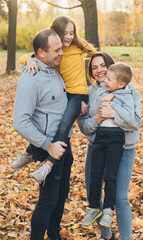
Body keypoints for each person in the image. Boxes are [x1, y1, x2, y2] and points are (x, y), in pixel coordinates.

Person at [11, 15, 97, 184]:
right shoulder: (55, 50)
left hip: (78, 95)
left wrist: (104, 76)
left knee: (64, 126)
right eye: (65, 33)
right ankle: (29, 153)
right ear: (57, 33)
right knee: (57, 123)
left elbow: (98, 56)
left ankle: (48, 165)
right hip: (65, 93)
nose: (68, 37)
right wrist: (28, 59)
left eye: (72, 33)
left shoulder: (78, 47)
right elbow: (30, 56)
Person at [13, 28, 74, 240]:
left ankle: (54, 236)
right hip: (46, 148)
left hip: (65, 144)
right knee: (48, 200)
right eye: (56, 50)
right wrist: (48, 145)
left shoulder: (53, 68)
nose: (61, 53)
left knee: (61, 195)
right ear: (41, 53)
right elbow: (20, 121)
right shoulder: (31, 78)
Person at [77, 52, 141, 240]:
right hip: (96, 147)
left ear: (111, 66)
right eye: (94, 67)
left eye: (102, 65)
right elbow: (85, 127)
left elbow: (135, 123)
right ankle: (107, 236)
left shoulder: (130, 91)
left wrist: (113, 113)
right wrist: (98, 117)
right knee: (93, 194)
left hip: (124, 148)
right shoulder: (90, 92)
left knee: (120, 197)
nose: (99, 71)